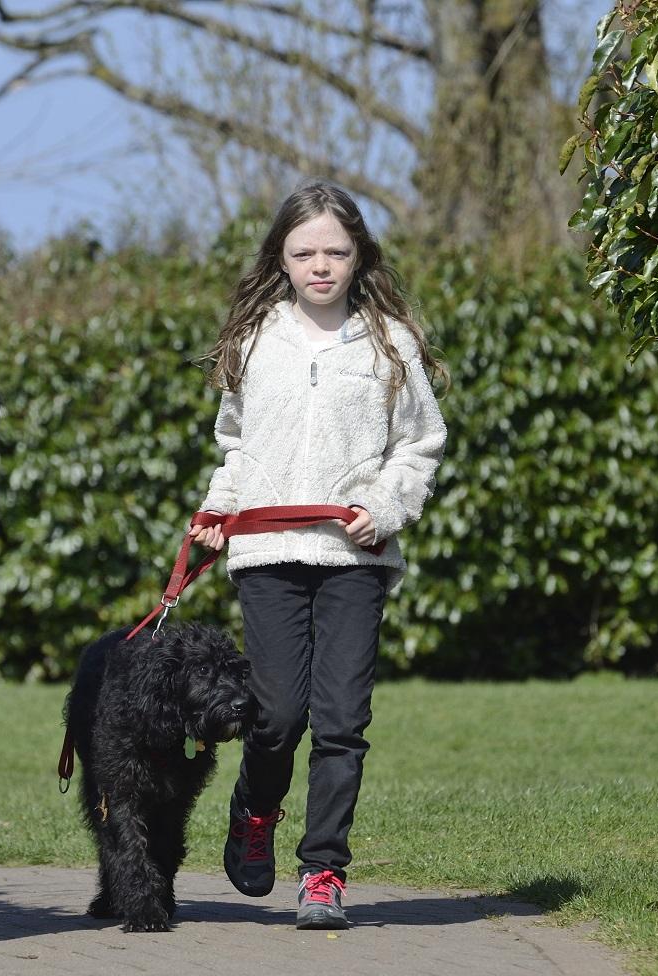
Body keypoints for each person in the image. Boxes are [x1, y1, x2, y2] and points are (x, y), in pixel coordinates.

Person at [190, 181, 447, 930]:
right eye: (304, 252)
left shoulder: (389, 342)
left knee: (341, 721)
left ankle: (324, 871)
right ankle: (255, 810)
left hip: (353, 559)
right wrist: (218, 508)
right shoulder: (253, 340)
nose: (321, 265)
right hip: (267, 553)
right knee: (274, 716)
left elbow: (420, 442)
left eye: (336, 250)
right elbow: (234, 443)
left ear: (359, 254)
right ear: (282, 257)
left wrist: (388, 507)